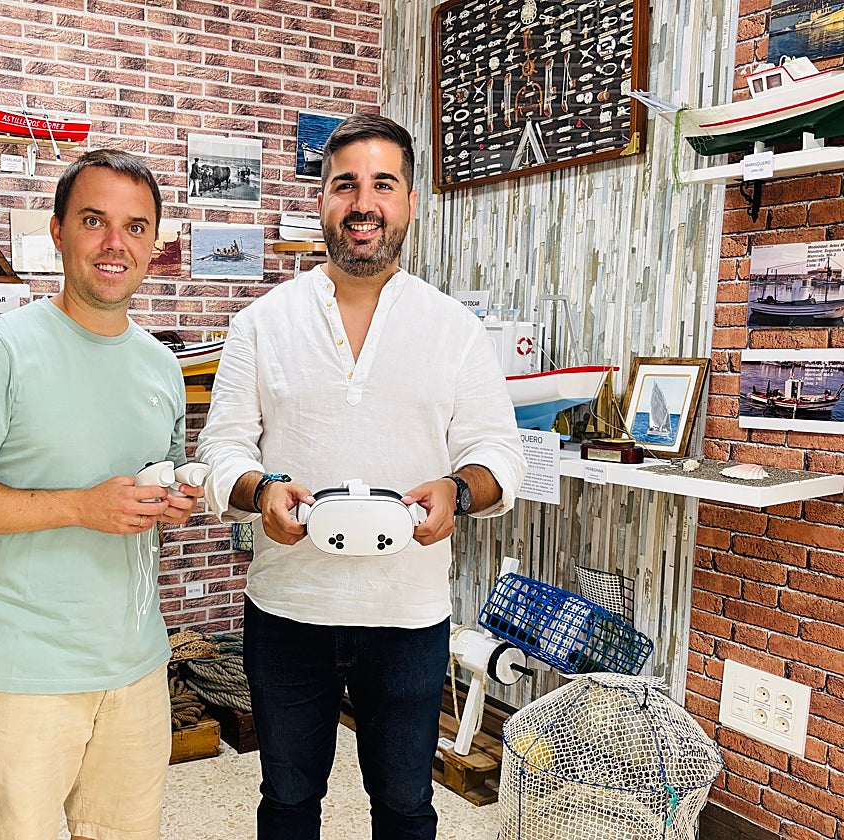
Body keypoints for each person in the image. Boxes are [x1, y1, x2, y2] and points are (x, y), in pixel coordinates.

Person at [196, 114, 526, 840]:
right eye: (345, 184)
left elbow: (501, 454)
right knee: (288, 801)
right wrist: (260, 491)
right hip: (288, 608)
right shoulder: (262, 323)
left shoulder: (453, 328)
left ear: (410, 202)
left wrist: (459, 491)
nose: (363, 203)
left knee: (405, 806)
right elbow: (222, 449)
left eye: (383, 184)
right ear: (322, 199)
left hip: (407, 614)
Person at [0, 148, 203, 840]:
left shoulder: (162, 366)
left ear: (154, 245)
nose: (115, 243)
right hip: (28, 673)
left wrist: (170, 502)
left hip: (137, 667)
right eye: (94, 221)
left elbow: (153, 484)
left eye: (136, 227)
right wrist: (81, 505)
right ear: (58, 232)